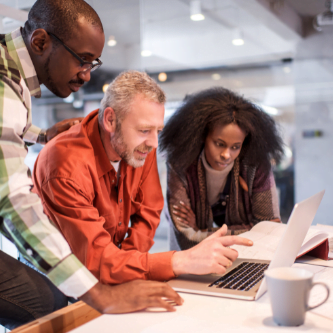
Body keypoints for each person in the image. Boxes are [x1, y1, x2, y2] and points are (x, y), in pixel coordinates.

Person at [0, 0, 182, 329]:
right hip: (77, 267)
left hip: (107, 263)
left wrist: (40, 135)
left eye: (92, 64)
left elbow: (149, 210)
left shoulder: (10, 72)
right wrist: (102, 295)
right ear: (40, 42)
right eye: (81, 61)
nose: (85, 74)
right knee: (45, 302)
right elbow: (13, 203)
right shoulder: (6, 86)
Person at [33, 70, 253, 287]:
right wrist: (178, 261)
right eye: (145, 130)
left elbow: (149, 210)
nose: (154, 143)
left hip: (105, 269)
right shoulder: (64, 166)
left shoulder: (138, 145)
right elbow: (95, 258)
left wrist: (124, 266)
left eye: (158, 130)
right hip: (57, 280)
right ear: (110, 120)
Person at [159, 87, 284, 251]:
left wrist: (200, 231)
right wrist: (251, 229)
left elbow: (270, 232)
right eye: (219, 144)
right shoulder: (181, 162)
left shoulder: (256, 163)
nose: (226, 155)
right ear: (203, 136)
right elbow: (187, 240)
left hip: (248, 258)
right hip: (193, 262)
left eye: (235, 147)